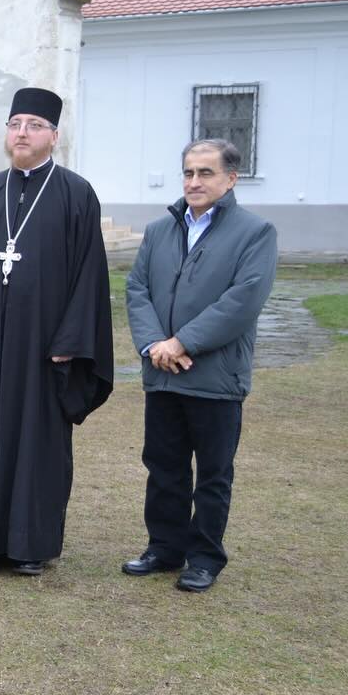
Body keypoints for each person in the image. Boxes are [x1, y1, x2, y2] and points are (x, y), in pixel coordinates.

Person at [0, 87, 114, 575]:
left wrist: (71, 341)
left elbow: (89, 276)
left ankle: (30, 546)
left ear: (54, 135)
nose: (22, 133)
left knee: (35, 443)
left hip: (41, 348)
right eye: (15, 125)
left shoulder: (76, 194)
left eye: (34, 125)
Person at [123, 138, 277, 593]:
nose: (194, 181)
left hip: (215, 377)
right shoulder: (159, 230)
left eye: (205, 173)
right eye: (188, 172)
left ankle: (205, 558)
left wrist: (182, 342)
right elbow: (137, 290)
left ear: (231, 179)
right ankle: (164, 548)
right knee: (163, 467)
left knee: (212, 473)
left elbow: (243, 300)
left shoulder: (255, 232)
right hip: (163, 373)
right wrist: (155, 344)